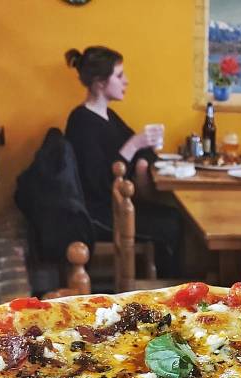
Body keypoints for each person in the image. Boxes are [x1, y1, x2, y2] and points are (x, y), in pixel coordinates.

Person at [63, 46, 182, 277]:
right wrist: (134, 146)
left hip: (119, 204)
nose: (125, 81)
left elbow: (140, 151)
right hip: (100, 214)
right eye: (119, 76)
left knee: (173, 216)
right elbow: (98, 184)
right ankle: (170, 291)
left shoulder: (108, 115)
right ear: (99, 82)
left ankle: (169, 285)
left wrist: (142, 159)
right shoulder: (81, 122)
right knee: (171, 223)